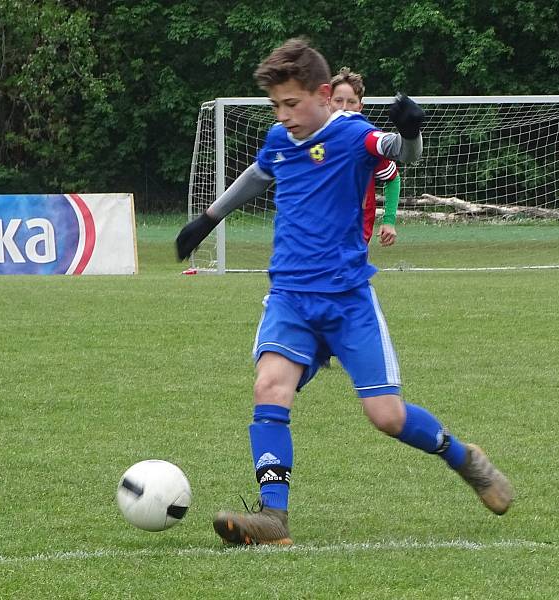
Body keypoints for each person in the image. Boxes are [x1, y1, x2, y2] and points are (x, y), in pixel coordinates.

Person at [176, 38, 513, 546]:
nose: (284, 115)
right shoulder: (279, 139)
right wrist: (207, 219)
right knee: (269, 387)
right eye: (277, 106)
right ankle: (273, 518)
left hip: (347, 299)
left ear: (325, 94)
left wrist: (412, 129)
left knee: (386, 416)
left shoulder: (355, 134)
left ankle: (463, 458)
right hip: (289, 295)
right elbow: (257, 175)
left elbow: (404, 156)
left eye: (292, 104)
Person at [330, 67, 399, 246]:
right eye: (338, 100)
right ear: (328, 101)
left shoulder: (367, 141)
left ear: (360, 107)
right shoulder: (312, 137)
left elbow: (392, 177)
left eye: (351, 102)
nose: (344, 107)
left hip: (356, 239)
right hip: (319, 236)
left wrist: (389, 220)